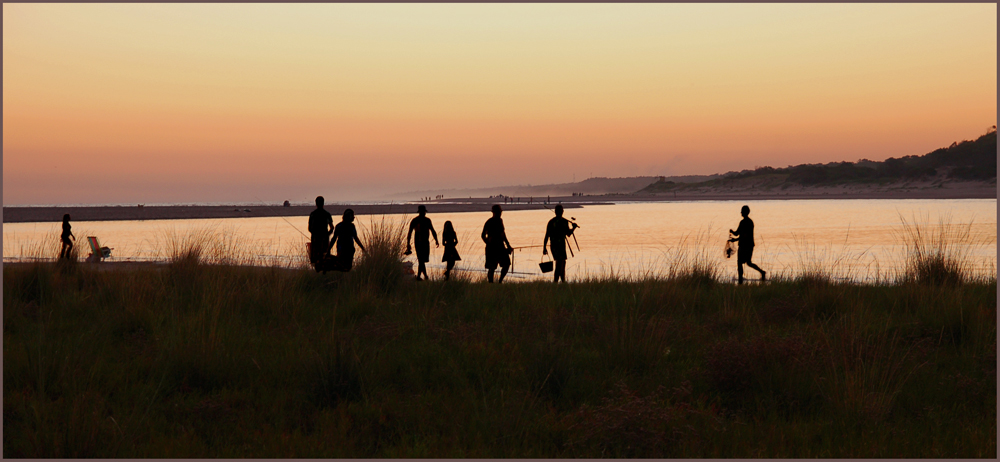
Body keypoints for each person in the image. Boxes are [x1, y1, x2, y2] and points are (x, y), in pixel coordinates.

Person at [729, 205, 766, 284]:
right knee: (748, 262)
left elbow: (743, 235)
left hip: (744, 245)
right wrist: (732, 232)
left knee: (740, 263)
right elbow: (738, 233)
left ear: (745, 212)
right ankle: (762, 272)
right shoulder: (749, 222)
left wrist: (734, 238)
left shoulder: (745, 222)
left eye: (742, 211)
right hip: (749, 245)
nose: (741, 212)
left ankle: (740, 280)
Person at [543, 204, 578, 283]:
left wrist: (573, 228)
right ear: (557, 212)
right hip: (556, 246)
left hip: (560, 246)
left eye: (561, 211)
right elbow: (547, 235)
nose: (560, 212)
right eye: (560, 211)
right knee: (559, 264)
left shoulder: (558, 222)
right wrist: (544, 248)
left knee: (562, 263)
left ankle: (563, 282)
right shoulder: (556, 222)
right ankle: (556, 282)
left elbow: (567, 233)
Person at [481, 204, 513, 283]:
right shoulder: (489, 222)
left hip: (501, 247)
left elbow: (503, 234)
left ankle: (500, 281)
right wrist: (488, 242)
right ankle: (491, 283)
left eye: (500, 212)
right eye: (498, 212)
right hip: (491, 248)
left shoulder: (500, 221)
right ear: (494, 213)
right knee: (492, 267)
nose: (500, 214)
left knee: (507, 264)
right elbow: (483, 235)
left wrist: (508, 246)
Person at [407, 205, 439, 280]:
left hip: (425, 242)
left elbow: (433, 230)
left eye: (424, 212)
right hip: (418, 242)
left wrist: (436, 239)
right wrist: (408, 243)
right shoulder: (415, 220)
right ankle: (421, 276)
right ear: (420, 212)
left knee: (422, 260)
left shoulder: (427, 220)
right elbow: (410, 233)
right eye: (423, 212)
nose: (424, 213)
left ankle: (423, 276)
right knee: (421, 259)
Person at [308, 196, 334, 271]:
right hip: (324, 240)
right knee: (325, 257)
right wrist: (327, 234)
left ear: (316, 204)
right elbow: (332, 228)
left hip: (315, 240)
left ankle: (317, 272)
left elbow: (310, 229)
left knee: (316, 259)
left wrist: (315, 234)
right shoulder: (327, 214)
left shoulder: (313, 214)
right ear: (323, 203)